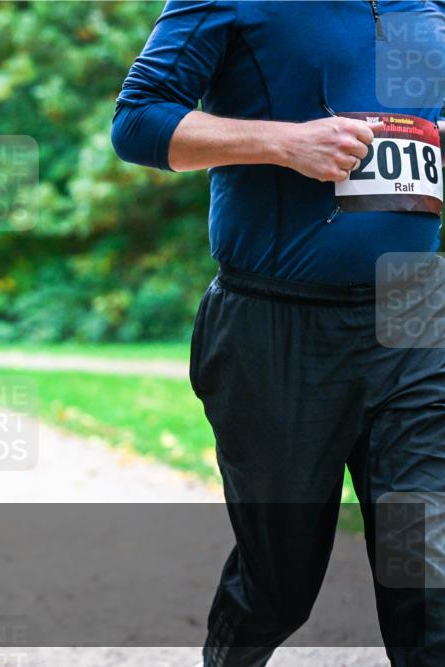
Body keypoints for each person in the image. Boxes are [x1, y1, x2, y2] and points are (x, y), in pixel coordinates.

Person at [113, 3, 444, 667]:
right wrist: (285, 144)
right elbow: (137, 121)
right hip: (274, 327)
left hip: (414, 317)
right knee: (280, 584)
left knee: (429, 577)